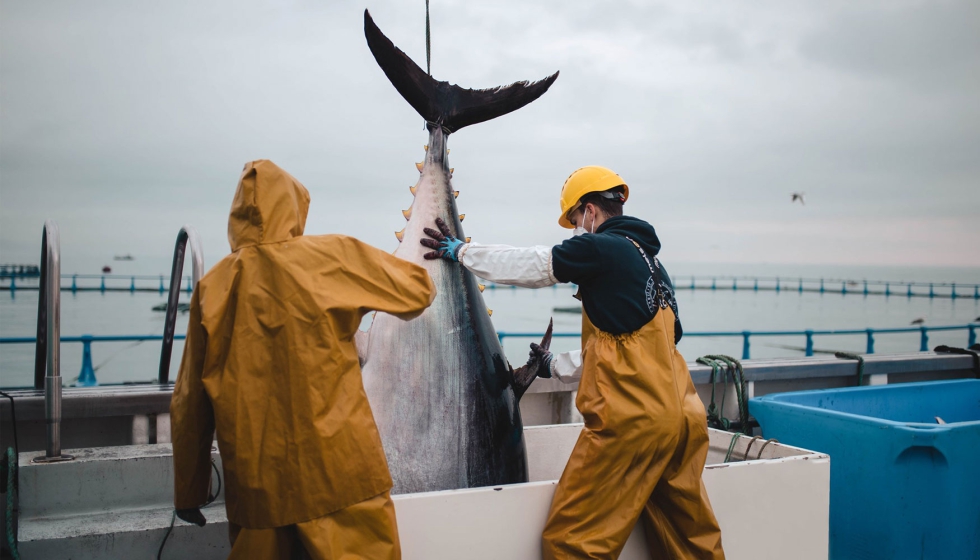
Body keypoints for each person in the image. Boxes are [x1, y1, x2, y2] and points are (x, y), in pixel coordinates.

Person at [421, 166, 725, 559]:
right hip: (683, 421)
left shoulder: (602, 248)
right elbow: (633, 350)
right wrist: (552, 366)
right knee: (690, 539)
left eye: (575, 222)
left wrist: (462, 252)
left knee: (573, 541)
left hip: (632, 425)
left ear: (591, 212)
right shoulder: (653, 266)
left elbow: (536, 265)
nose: (575, 232)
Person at [171, 160, 435, 560]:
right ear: (295, 208)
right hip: (344, 476)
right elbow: (418, 291)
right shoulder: (333, 255)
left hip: (257, 492)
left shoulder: (212, 288)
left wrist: (189, 491)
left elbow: (189, 401)